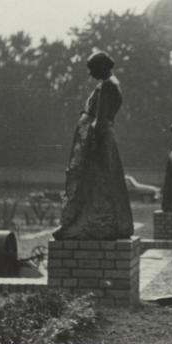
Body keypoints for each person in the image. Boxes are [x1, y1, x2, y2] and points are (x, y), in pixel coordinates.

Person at [55, 51, 134, 240]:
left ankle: (87, 224)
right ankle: (102, 222)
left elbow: (100, 119)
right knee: (102, 184)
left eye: (92, 68)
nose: (90, 74)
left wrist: (91, 145)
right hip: (101, 139)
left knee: (91, 185)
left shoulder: (107, 86)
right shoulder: (111, 83)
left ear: (102, 66)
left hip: (96, 141)